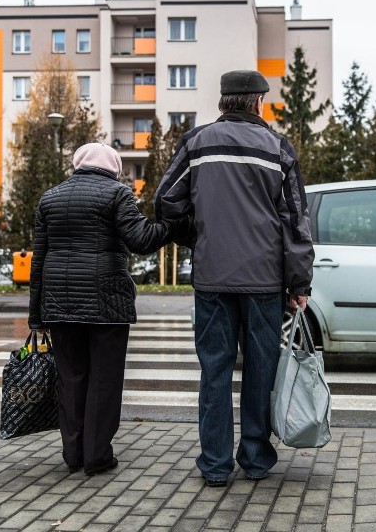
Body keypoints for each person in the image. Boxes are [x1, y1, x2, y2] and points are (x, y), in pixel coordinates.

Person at [155, 70, 314, 487]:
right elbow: (296, 222)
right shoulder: (278, 148)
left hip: (212, 279)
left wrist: (199, 236)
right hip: (264, 282)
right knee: (261, 370)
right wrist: (299, 284)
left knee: (215, 371)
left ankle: (215, 464)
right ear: (257, 102)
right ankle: (257, 459)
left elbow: (165, 202)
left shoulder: (196, 143)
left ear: (225, 101)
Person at [28, 142, 183, 476]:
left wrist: (36, 316)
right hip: (106, 303)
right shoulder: (117, 194)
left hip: (59, 304)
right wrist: (172, 225)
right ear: (113, 167)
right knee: (104, 380)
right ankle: (97, 456)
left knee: (70, 379)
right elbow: (141, 240)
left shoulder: (49, 198)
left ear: (79, 164)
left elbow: (38, 260)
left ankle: (73, 454)